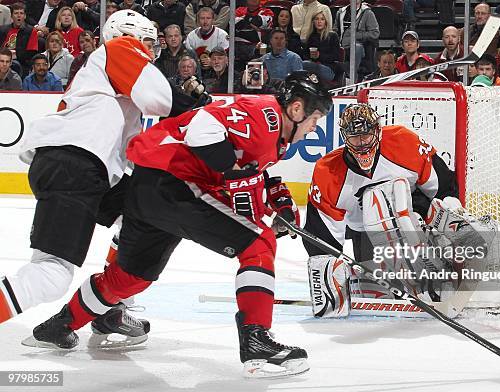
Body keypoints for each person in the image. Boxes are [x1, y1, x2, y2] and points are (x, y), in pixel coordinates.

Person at [30, 71, 332, 379]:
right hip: (175, 183)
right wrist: (233, 171)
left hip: (150, 188)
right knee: (259, 244)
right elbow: (203, 127)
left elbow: (244, 165)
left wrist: (273, 196)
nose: (314, 127)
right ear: (296, 109)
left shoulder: (272, 130)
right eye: (315, 118)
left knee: (130, 277)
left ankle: (59, 325)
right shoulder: (266, 114)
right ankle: (256, 342)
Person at [0, 10, 207, 344]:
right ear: (127, 35)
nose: (151, 51)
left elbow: (134, 151)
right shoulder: (118, 49)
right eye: (148, 43)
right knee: (51, 273)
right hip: (76, 165)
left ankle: (110, 306)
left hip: (85, 168)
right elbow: (161, 99)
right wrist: (198, 108)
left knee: (142, 213)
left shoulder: (113, 90)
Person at [303, 104, 472, 314]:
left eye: (366, 135)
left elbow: (442, 188)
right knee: (379, 291)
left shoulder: (403, 142)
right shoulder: (327, 171)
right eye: (355, 137)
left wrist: (452, 225)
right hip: (363, 233)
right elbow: (321, 237)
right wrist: (328, 281)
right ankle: (376, 278)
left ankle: (439, 272)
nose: (362, 144)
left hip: (413, 219)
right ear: (344, 138)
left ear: (377, 131)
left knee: (392, 198)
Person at [334, 0, 379, 77]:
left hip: (360, 48)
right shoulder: (341, 12)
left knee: (357, 47)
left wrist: (355, 36)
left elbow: (375, 33)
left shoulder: (367, 13)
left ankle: (352, 76)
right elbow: (335, 30)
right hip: (342, 47)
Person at [0, 2, 42, 77]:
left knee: (15, 65)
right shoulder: (3, 29)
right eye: (16, 13)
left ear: (25, 16)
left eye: (21, 13)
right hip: (2, 61)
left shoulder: (31, 31)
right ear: (11, 16)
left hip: (21, 64)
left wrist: (16, 55)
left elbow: (31, 53)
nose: (19, 15)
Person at [302, 11, 339, 82]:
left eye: (322, 19)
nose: (319, 21)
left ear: (326, 22)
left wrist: (319, 56)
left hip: (328, 69)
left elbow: (336, 56)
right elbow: (305, 55)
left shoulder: (332, 36)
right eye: (317, 19)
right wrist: (311, 57)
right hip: (313, 67)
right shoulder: (311, 36)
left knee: (304, 64)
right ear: (313, 22)